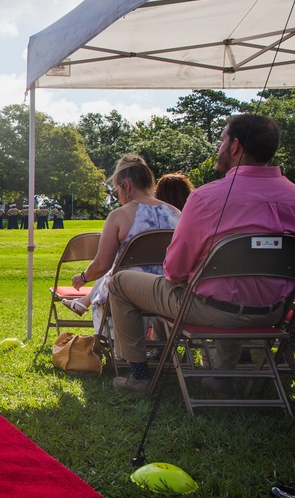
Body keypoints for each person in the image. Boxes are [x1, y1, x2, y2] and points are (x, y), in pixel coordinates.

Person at [109, 114, 295, 394]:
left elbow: (174, 270)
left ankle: (138, 376)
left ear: (235, 147)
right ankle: (222, 377)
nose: (218, 146)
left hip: (210, 309)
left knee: (119, 283)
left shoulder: (207, 197)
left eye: (221, 139)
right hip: (275, 312)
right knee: (231, 285)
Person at [64, 155, 181, 340]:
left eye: (116, 190)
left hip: (128, 296)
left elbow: (102, 264)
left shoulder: (119, 216)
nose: (117, 197)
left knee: (111, 276)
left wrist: (84, 277)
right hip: (168, 293)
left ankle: (116, 347)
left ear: (126, 186)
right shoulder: (176, 213)